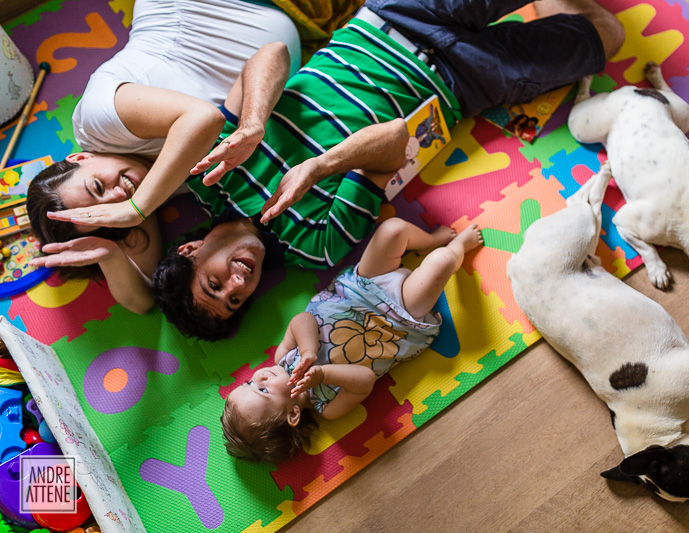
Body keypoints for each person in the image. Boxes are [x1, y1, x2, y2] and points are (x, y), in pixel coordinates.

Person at [29, 0, 623, 337]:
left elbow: (271, 55)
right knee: (608, 34)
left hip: (391, 20)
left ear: (188, 252)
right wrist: (320, 166)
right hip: (461, 82)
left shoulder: (209, 175)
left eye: (216, 284)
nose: (238, 283)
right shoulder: (315, 246)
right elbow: (395, 140)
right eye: (237, 300)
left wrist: (254, 123)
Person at [221, 219, 484, 462]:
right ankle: (458, 246)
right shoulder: (327, 406)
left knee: (392, 230)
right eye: (263, 390)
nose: (260, 377)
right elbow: (365, 380)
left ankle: (426, 239)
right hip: (400, 320)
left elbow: (302, 320)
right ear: (292, 414)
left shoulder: (284, 359)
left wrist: (309, 349)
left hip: (360, 287)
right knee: (441, 263)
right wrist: (322, 374)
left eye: (248, 382)